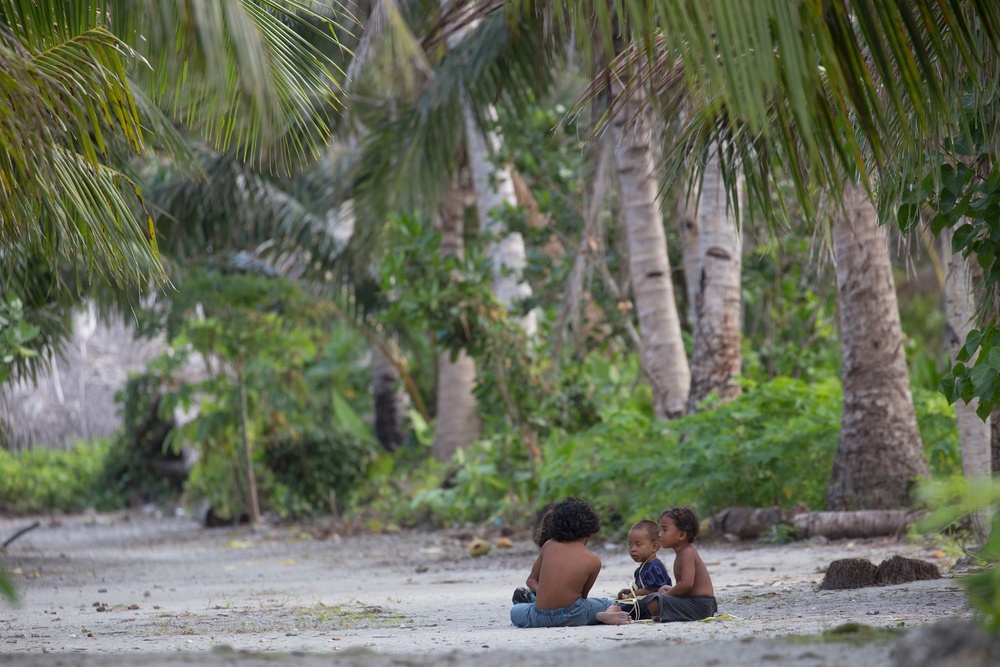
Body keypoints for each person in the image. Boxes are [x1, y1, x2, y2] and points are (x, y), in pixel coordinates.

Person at [597, 506, 717, 625]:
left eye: (664, 530)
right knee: (659, 593)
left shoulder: (687, 553)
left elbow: (686, 584)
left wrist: (665, 595)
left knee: (654, 600)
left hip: (701, 606)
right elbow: (686, 588)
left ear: (681, 535)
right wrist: (668, 590)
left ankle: (648, 613)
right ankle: (616, 613)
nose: (660, 534)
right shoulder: (682, 554)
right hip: (693, 602)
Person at [509, 497, 614, 627]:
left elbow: (531, 580)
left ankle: (531, 602)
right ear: (591, 528)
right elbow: (583, 596)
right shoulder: (593, 561)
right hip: (573, 616)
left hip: (540, 616)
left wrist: (542, 594)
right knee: (607, 603)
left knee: (515, 611)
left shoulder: (549, 546)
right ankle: (607, 614)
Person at [614, 519, 672, 620]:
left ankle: (611, 614)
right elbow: (643, 588)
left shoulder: (654, 567)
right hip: (643, 605)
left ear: (654, 546)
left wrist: (635, 594)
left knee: (618, 607)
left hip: (652, 608)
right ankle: (611, 613)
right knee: (617, 603)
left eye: (638, 544)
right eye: (630, 545)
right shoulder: (642, 568)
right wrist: (629, 591)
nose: (633, 549)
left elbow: (655, 589)